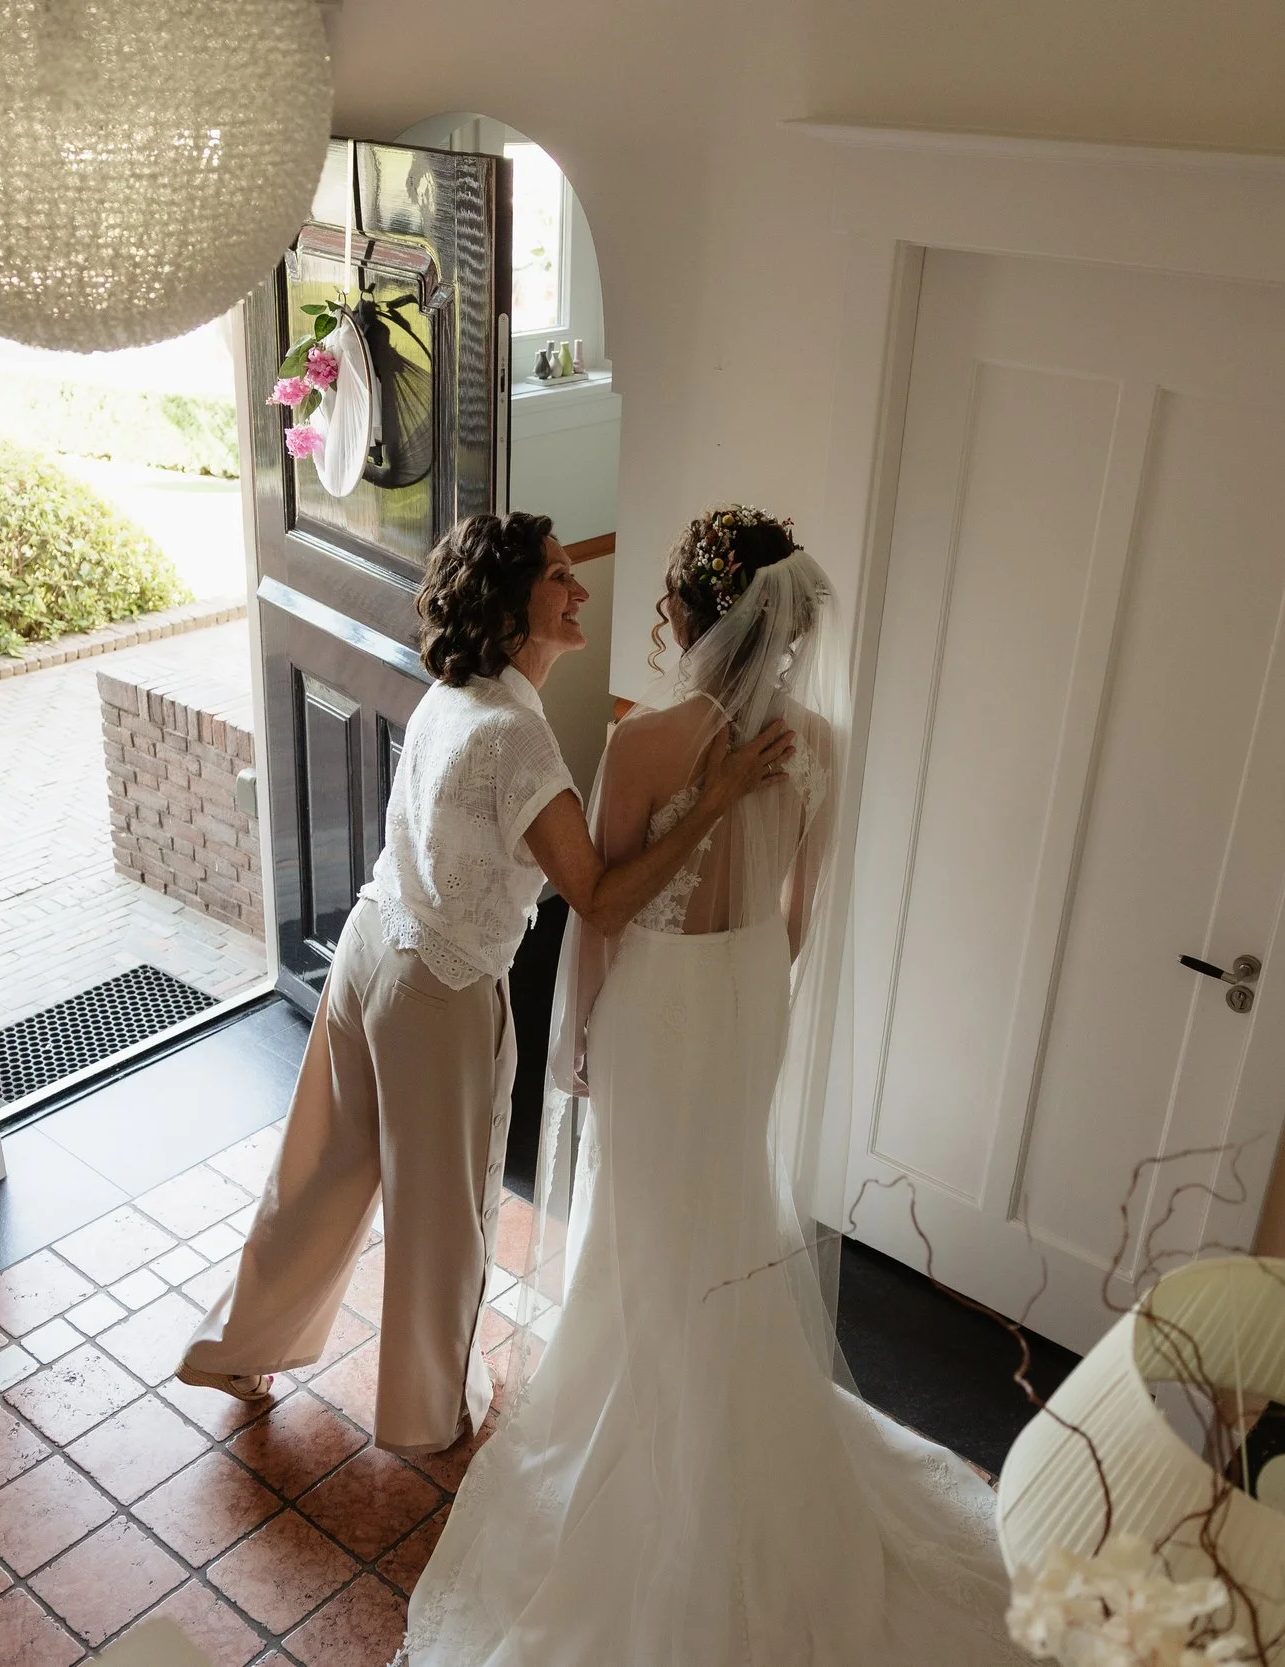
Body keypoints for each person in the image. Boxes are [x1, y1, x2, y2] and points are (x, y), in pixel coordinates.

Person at [402, 508, 1020, 1663]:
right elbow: (797, 920)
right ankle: (725, 1407)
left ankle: (657, 1421)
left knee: (645, 1222)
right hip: (747, 1000)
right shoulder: (822, 741)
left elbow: (602, 912)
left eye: (665, 607)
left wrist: (585, 1028)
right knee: (728, 1209)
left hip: (660, 1001)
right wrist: (748, 994)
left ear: (693, 615)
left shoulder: (644, 741)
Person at [177, 510, 796, 1457]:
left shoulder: (454, 692)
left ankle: (233, 1345)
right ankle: (428, 1418)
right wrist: (713, 800)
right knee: (448, 1218)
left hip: (369, 950)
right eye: (557, 576)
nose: (578, 585)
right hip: (439, 993)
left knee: (318, 1174)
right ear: (514, 608)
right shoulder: (519, 740)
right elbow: (598, 897)